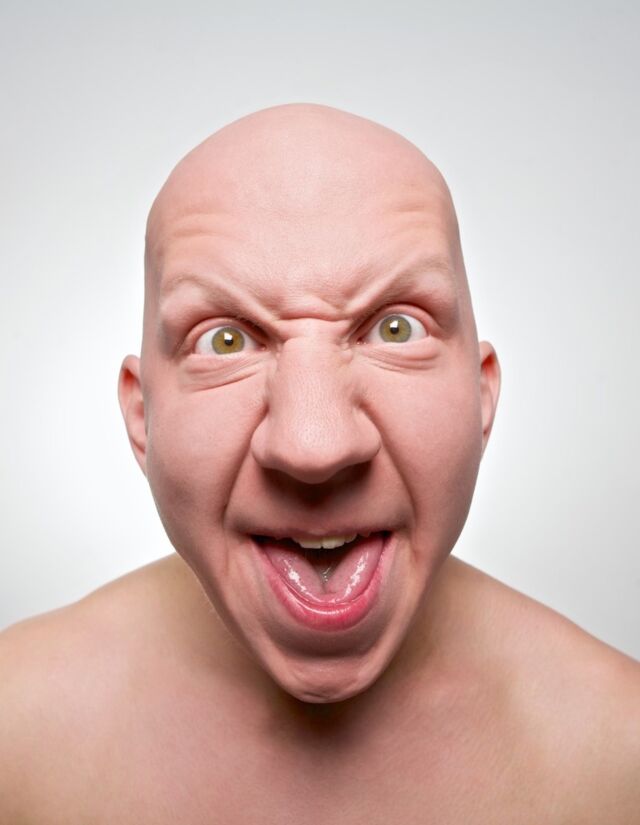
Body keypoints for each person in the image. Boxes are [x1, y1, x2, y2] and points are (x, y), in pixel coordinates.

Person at [1, 103, 638, 824]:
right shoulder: (12, 739)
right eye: (225, 342)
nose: (314, 447)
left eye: (395, 328)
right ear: (142, 415)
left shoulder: (623, 758)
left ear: (480, 395)